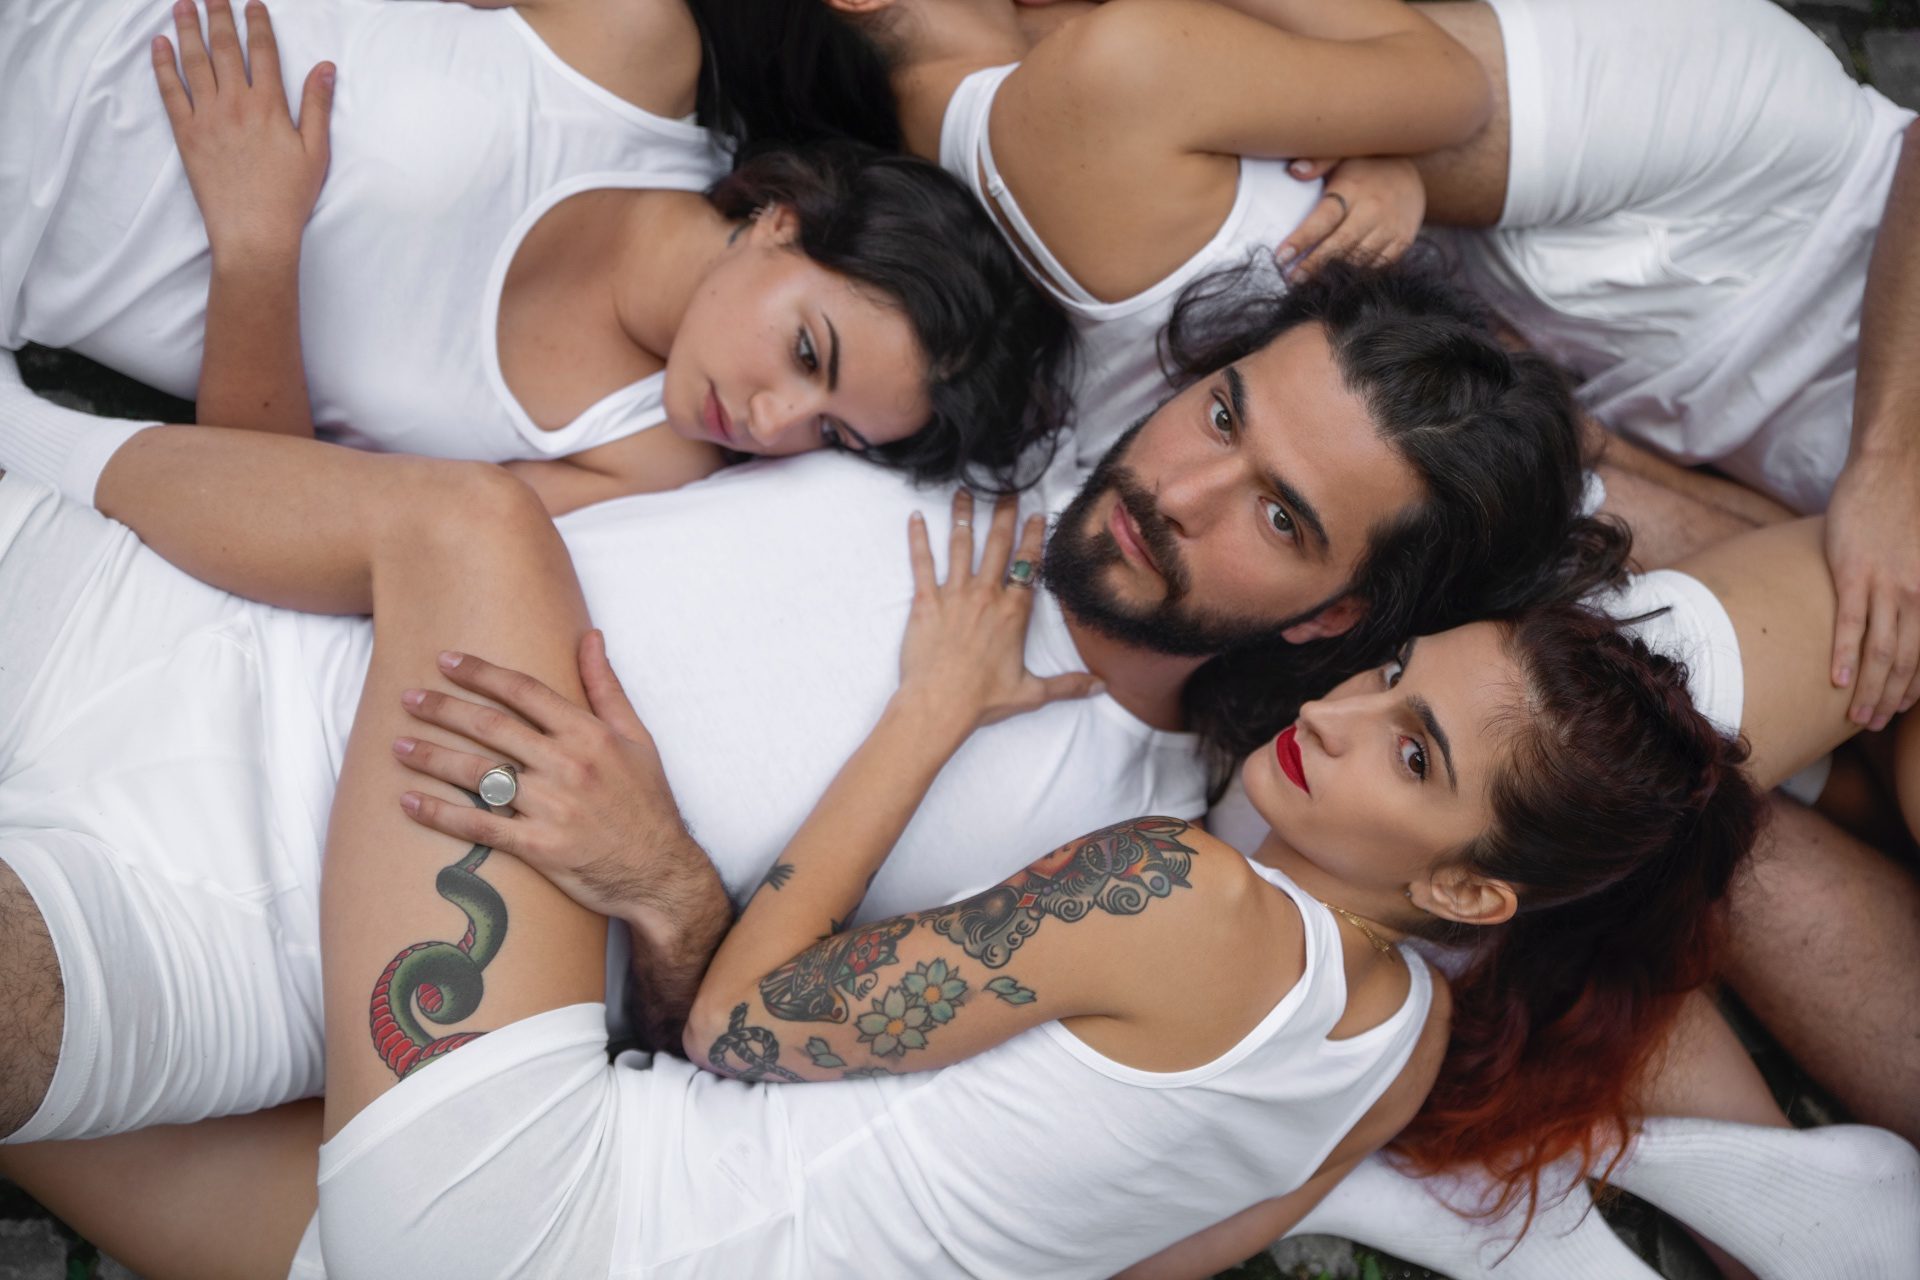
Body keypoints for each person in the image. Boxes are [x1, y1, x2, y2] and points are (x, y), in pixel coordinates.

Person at [0, 399, 1810, 1278]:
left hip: (544, 1205)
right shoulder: (1397, 1053)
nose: (1334, 716)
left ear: (1471, 884)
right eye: (1392, 674)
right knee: (43, 1085)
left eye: (1409, 751)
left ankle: (37, 435)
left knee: (467, 531)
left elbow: (740, 1025)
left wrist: (927, 711)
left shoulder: (1181, 893)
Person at [2, 0, 1069, 508]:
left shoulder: (640, 461)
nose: (771, 422)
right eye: (806, 353)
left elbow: (272, 506)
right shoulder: (632, 51)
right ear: (786, 217)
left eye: (830, 430)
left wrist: (258, 245)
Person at [692, 0, 1488, 466]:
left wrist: (1378, 147)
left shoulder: (931, 255)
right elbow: (1456, 88)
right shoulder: (1106, 71)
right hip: (1460, 407)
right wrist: (1386, 149)